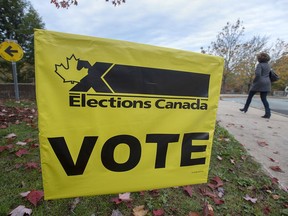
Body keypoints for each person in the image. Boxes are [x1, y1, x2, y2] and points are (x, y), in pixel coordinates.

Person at [239, 52, 271, 119]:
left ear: (259, 58)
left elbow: (258, 75)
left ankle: (245, 108)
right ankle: (268, 113)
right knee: (264, 99)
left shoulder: (260, 65)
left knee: (250, 95)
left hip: (259, 82)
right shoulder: (268, 65)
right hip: (267, 83)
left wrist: (254, 81)